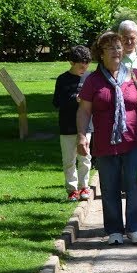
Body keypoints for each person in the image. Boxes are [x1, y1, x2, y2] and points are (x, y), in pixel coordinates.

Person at [77, 31, 137, 246]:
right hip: (105, 143)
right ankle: (114, 230)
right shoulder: (93, 81)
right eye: (110, 48)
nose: (116, 51)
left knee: (135, 185)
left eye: (118, 46)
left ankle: (135, 227)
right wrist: (81, 136)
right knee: (109, 187)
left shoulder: (136, 76)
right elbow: (84, 111)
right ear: (101, 54)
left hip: (134, 141)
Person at [53, 45, 93, 201]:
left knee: (85, 158)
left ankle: (84, 187)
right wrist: (73, 99)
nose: (83, 68)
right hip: (67, 125)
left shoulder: (90, 78)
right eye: (80, 65)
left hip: (86, 126)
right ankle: (72, 189)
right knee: (69, 160)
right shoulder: (62, 79)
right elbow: (56, 102)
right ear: (71, 62)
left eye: (86, 64)